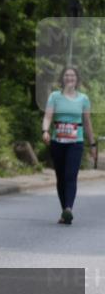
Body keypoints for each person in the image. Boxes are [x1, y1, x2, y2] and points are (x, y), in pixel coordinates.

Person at [41, 67, 96, 225]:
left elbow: (87, 123)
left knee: (70, 176)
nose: (69, 78)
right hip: (57, 142)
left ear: (77, 79)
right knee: (61, 177)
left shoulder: (83, 99)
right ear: (62, 78)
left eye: (72, 75)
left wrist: (92, 144)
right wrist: (45, 130)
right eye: (66, 75)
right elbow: (47, 117)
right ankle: (64, 210)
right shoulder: (54, 96)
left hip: (75, 143)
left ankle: (68, 209)